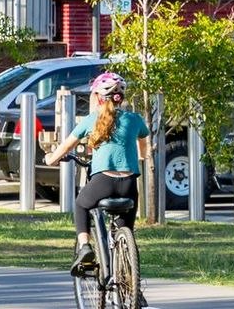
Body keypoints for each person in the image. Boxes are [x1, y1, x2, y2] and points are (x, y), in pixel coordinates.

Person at [43, 70, 152, 277]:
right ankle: (131, 284)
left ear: (99, 98)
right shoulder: (134, 119)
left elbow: (66, 146)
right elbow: (144, 141)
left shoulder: (91, 120)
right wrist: (141, 157)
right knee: (126, 231)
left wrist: (51, 159)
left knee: (81, 203)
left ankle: (85, 247)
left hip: (104, 181)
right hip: (129, 183)